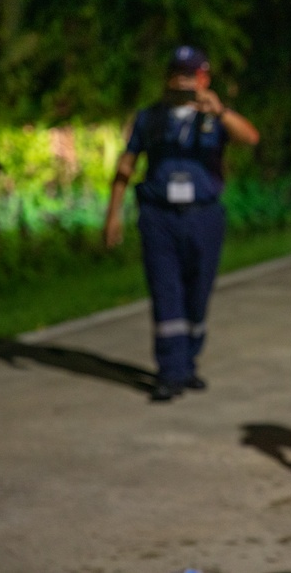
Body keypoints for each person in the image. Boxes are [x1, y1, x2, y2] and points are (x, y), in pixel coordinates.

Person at [104, 46, 260, 402]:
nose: (184, 80)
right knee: (165, 291)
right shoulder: (150, 118)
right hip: (159, 217)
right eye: (178, 72)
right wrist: (113, 214)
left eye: (192, 74)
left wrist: (219, 111)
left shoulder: (215, 118)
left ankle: (187, 364)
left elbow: (250, 138)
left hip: (203, 215)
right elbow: (126, 165)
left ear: (204, 78)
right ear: (167, 77)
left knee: (197, 293)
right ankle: (169, 372)